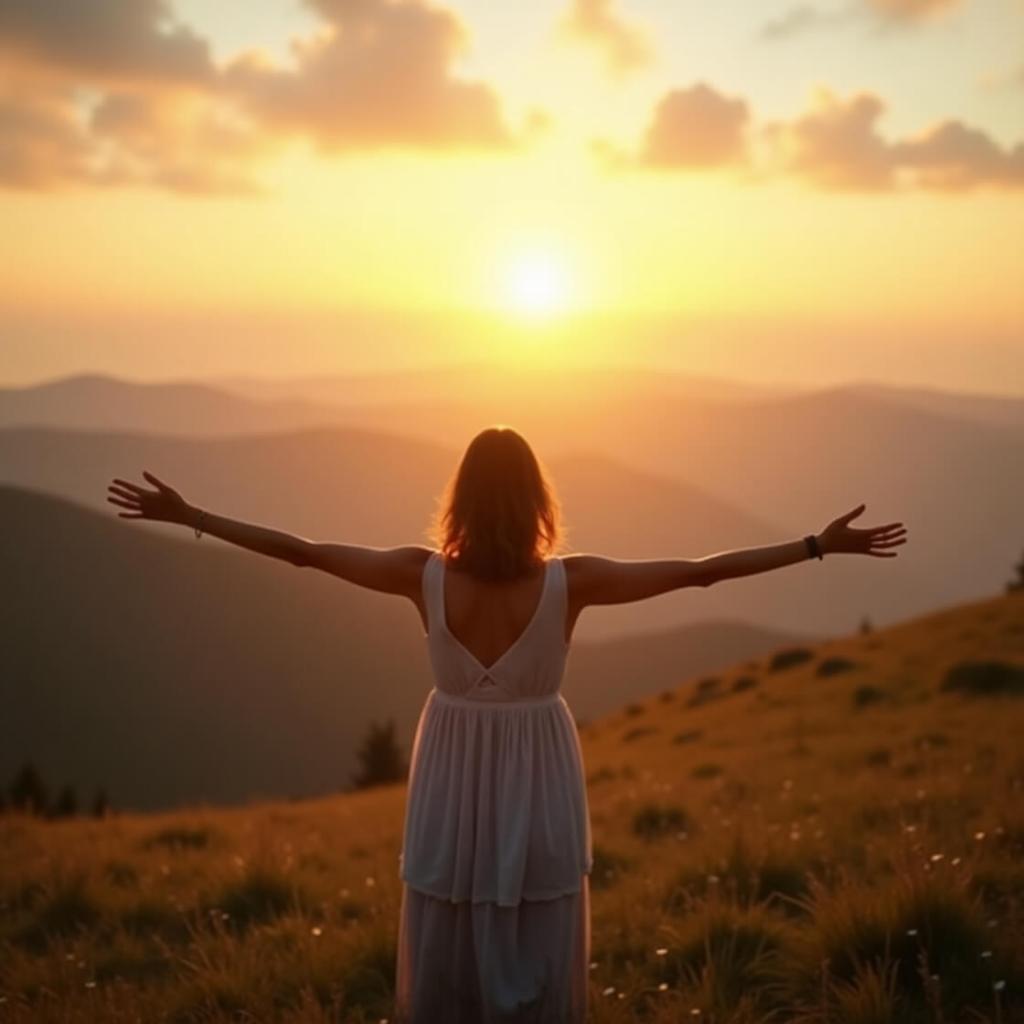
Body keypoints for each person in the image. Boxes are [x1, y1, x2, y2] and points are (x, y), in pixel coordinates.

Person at [106, 426, 907, 1022]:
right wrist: (814, 546)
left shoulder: (418, 577)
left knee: (448, 911)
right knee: (536, 917)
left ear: (459, 498)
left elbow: (303, 553)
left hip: (452, 768)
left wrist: (192, 515)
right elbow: (699, 575)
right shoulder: (573, 582)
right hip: (539, 766)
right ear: (536, 502)